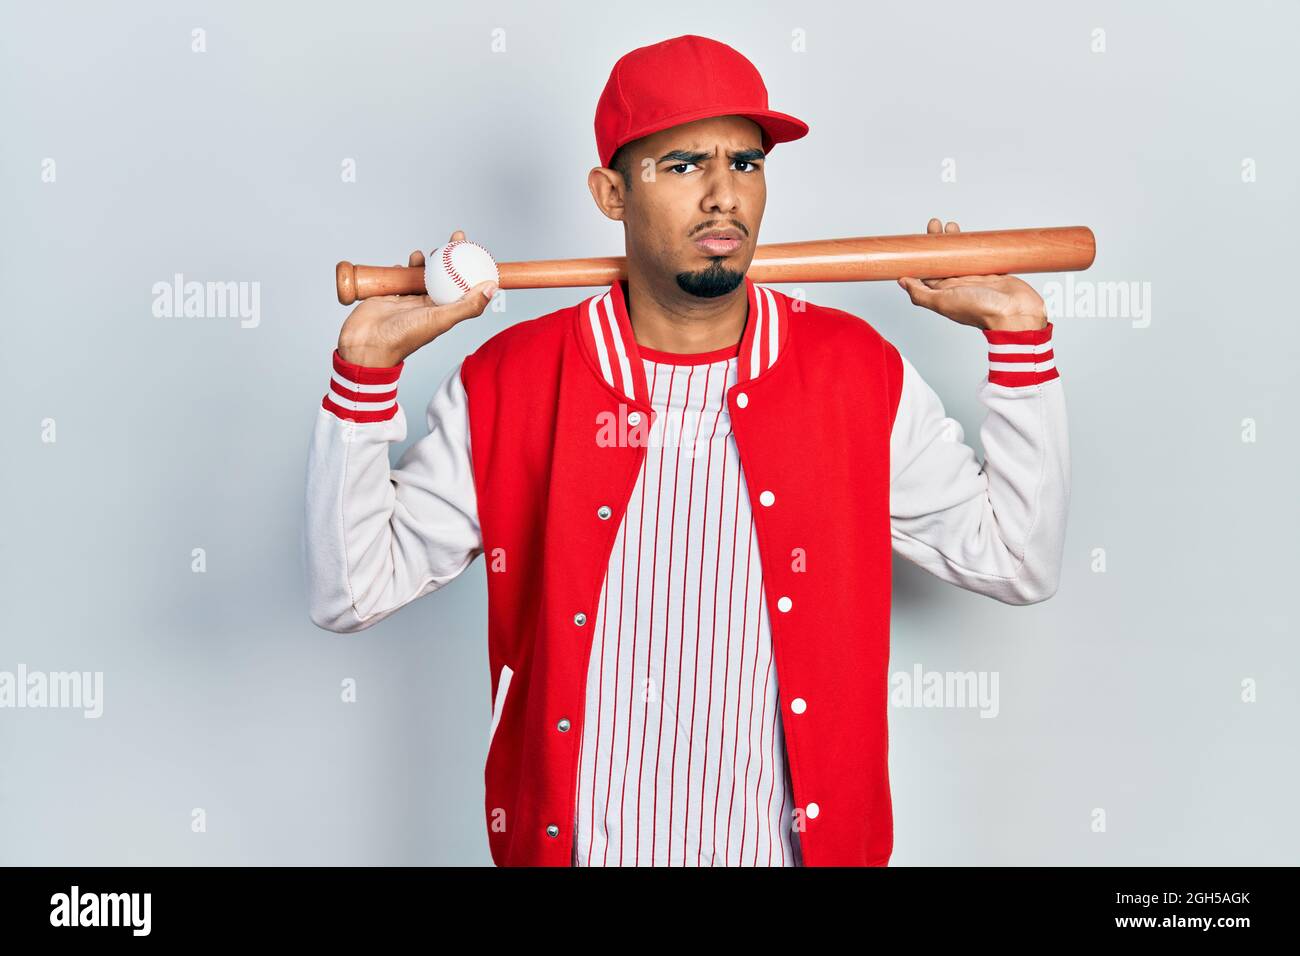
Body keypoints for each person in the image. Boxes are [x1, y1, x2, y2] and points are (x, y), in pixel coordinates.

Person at [303, 34, 1069, 867]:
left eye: (745, 164)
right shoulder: (514, 383)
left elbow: (1016, 562)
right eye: (681, 165)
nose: (721, 198)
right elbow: (353, 589)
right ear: (610, 193)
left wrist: (1019, 339)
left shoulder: (854, 373)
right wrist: (367, 374)